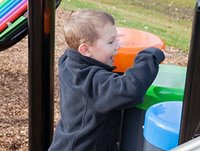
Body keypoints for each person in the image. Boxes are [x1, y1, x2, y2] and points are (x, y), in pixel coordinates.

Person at [48, 9, 166, 151]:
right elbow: (130, 89)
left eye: (116, 39)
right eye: (111, 42)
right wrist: (150, 56)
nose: (118, 46)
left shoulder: (69, 61)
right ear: (85, 50)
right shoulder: (90, 81)